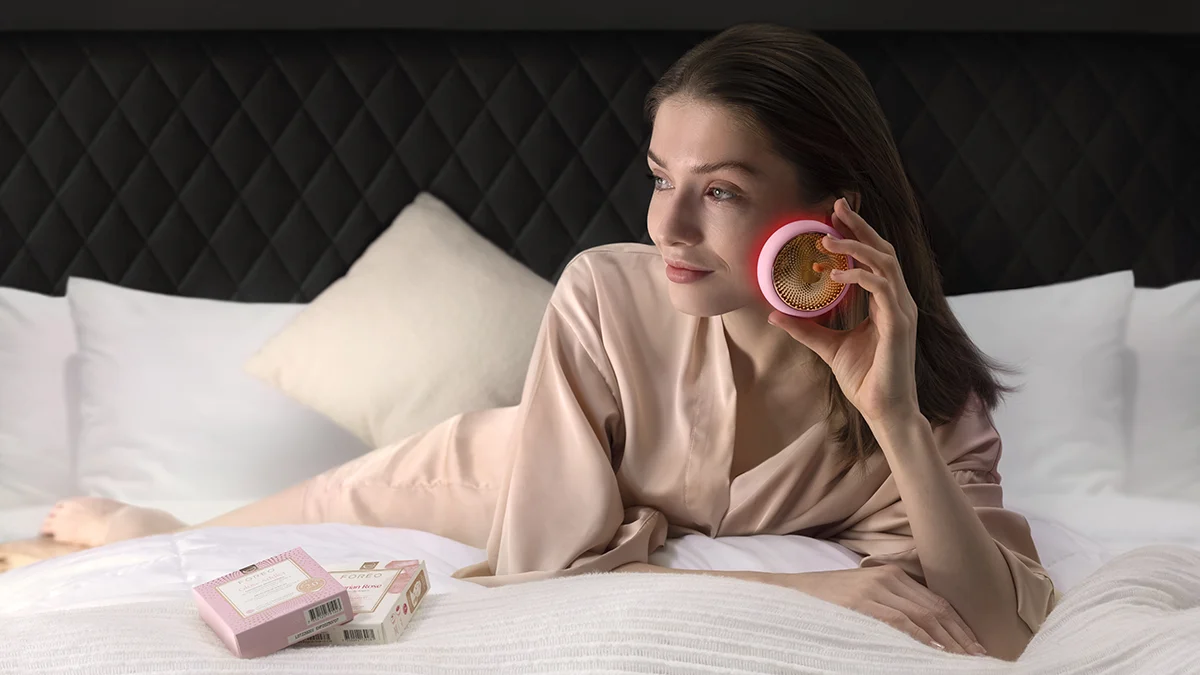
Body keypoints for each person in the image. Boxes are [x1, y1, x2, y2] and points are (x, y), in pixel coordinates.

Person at [29, 23, 1054, 660]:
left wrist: (893, 425)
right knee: (206, 540)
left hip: (849, 392)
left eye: (723, 192)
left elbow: (1002, 629)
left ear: (830, 214)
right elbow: (550, 569)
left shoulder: (921, 394)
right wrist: (812, 584)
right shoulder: (609, 291)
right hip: (484, 472)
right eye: (662, 179)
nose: (671, 228)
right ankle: (139, 525)